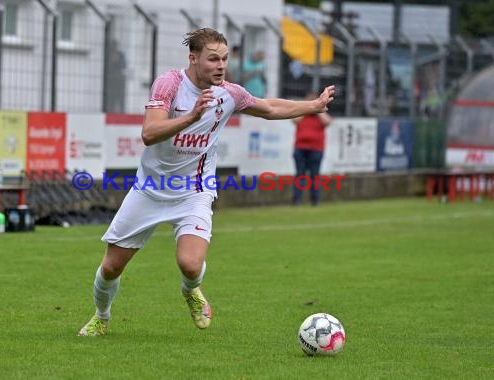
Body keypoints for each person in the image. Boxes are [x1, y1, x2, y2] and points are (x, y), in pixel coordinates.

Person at [78, 28, 335, 336]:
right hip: (148, 190)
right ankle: (101, 317)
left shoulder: (230, 93)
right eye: (213, 59)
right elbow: (149, 133)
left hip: (194, 192)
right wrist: (191, 116)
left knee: (189, 263)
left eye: (225, 59)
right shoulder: (170, 83)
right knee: (110, 268)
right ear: (194, 58)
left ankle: (191, 291)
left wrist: (313, 106)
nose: (221, 65)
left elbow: (268, 108)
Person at [292, 92, 332, 206]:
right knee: (300, 175)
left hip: (316, 149)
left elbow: (328, 121)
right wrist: (307, 108)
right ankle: (297, 200)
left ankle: (315, 200)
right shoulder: (302, 114)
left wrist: (317, 108)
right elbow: (295, 120)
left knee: (315, 176)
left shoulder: (320, 115)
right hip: (300, 148)